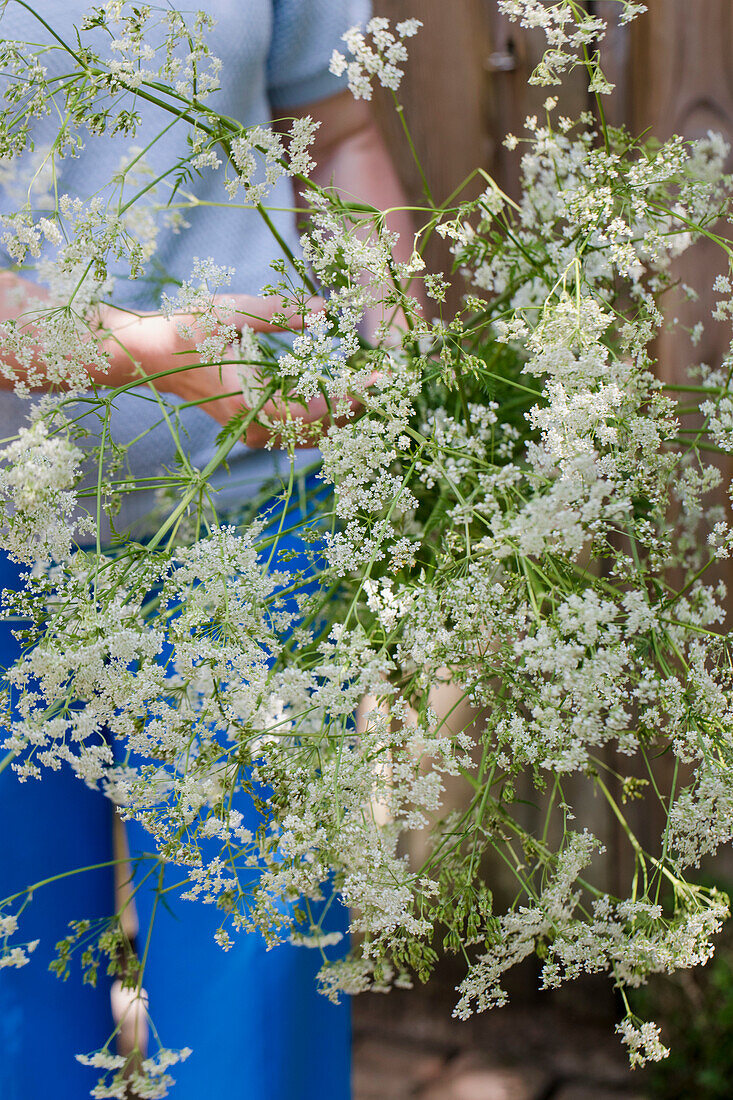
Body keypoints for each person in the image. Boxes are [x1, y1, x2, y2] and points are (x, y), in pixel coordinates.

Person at [0, 2, 419, 1096]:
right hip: (8, 532)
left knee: (260, 988)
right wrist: (148, 349)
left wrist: (404, 361)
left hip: (250, 515)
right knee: (15, 1001)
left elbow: (333, 132)